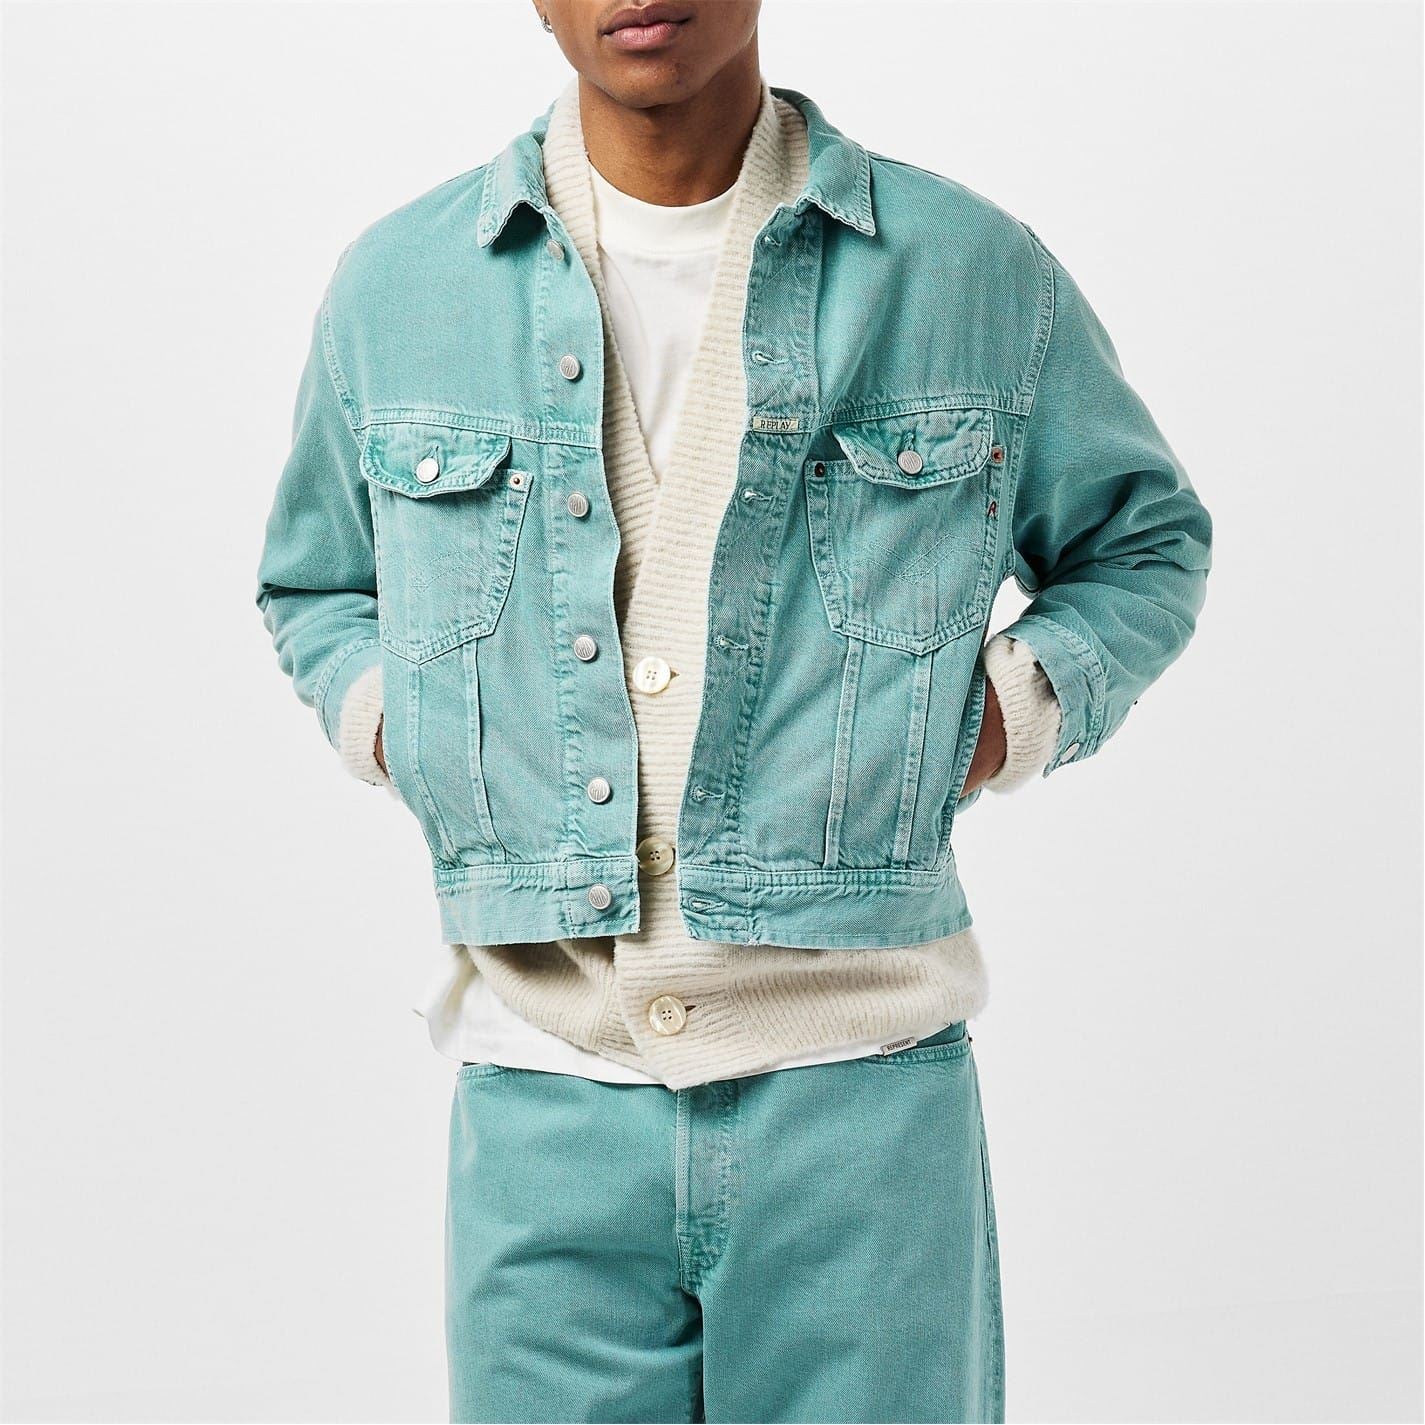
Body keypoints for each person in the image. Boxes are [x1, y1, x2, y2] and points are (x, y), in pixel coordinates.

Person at [256, 2, 1212, 1419]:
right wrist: (419, 734)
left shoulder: (965, 271)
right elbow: (316, 582)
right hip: (544, 1101)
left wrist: (994, 719)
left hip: (861, 1107)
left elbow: (1142, 542)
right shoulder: (401, 287)